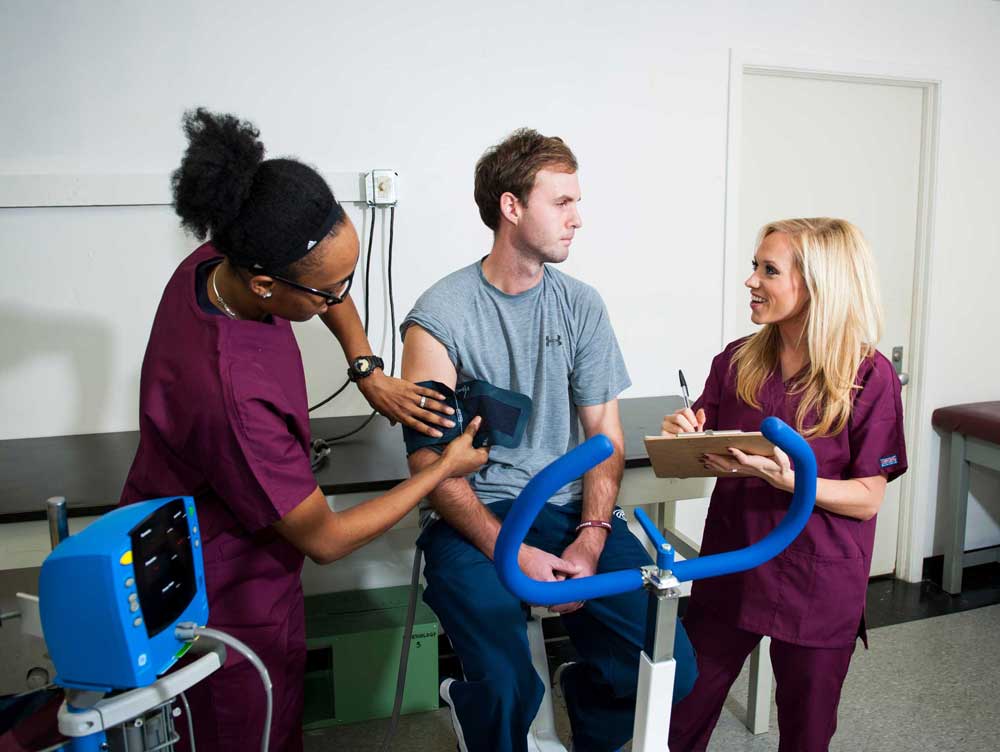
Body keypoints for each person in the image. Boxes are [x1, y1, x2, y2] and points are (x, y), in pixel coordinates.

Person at [119, 109, 489, 751]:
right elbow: (326, 537)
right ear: (265, 284)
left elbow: (323, 279)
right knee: (245, 726)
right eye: (327, 292)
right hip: (223, 589)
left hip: (240, 547)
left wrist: (366, 366)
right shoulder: (230, 392)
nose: (339, 298)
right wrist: (439, 471)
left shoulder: (226, 256)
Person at [401, 128, 696, 752]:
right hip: (478, 520)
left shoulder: (581, 306)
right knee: (508, 683)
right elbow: (433, 468)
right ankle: (474, 707)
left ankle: (589, 703)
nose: (577, 219)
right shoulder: (441, 316)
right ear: (512, 207)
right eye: (562, 202)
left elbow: (604, 437)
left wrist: (591, 538)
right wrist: (514, 554)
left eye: (577, 202)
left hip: (566, 514)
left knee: (670, 664)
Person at [663, 218, 907, 752]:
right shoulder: (737, 360)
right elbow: (699, 447)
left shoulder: (867, 377)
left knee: (806, 735)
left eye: (767, 270)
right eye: (755, 266)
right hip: (733, 564)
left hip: (818, 580)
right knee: (681, 717)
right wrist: (678, 432)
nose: (750, 280)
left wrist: (796, 483)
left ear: (816, 285)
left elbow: (867, 499)